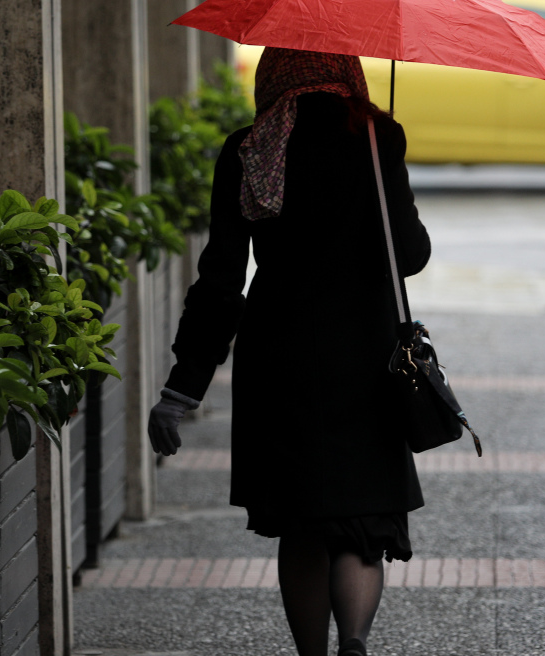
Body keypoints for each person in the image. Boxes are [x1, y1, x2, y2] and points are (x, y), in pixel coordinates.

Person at [147, 47, 431, 656]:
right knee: (360, 525)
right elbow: (409, 256)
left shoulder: (248, 147)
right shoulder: (378, 135)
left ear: (272, 75)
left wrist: (183, 388)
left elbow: (221, 279)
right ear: (347, 68)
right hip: (367, 358)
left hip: (279, 360)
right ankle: (354, 641)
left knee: (302, 523)